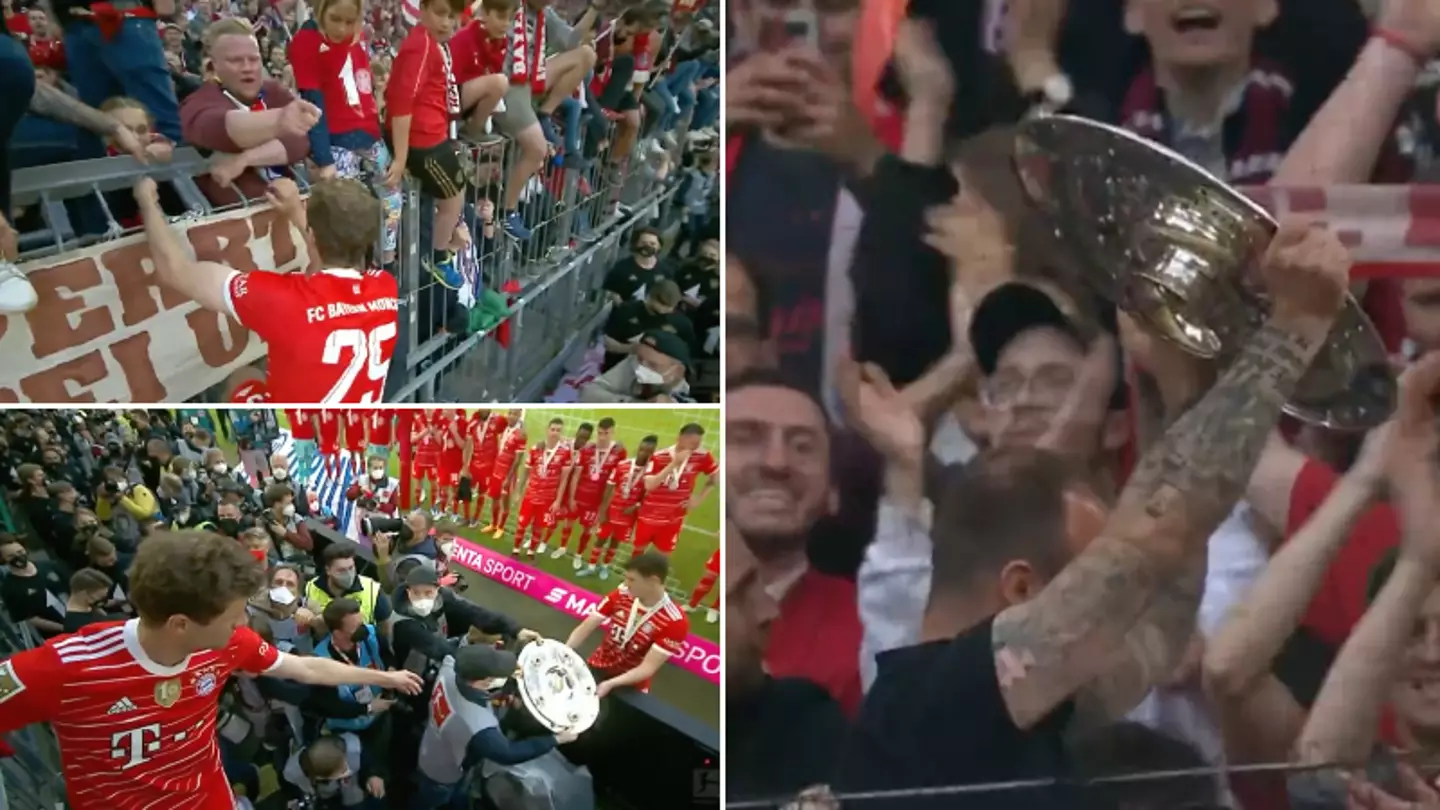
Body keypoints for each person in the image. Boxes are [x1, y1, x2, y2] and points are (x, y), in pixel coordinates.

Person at [832, 221, 1354, 806]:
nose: (1117, 603)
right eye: (1095, 576)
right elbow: (1159, 533)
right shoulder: (932, 707)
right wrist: (1292, 328)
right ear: (1023, 589)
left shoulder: (1022, 706)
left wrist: (1183, 379)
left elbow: (1162, 613)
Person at [0, 531, 423, 810]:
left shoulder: (228, 645)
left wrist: (384, 678)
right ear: (181, 624)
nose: (243, 627)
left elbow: (305, 667)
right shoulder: (64, 666)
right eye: (233, 617)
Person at [133, 174, 398, 404]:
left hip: (297, 434)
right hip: (352, 419)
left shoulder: (279, 298)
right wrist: (296, 212)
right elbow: (326, 267)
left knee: (241, 377)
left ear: (313, 236)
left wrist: (147, 202)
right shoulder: (385, 286)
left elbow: (174, 270)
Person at [288, 0, 403, 265]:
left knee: (392, 192)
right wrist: (324, 158)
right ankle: (355, 270)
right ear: (320, 11)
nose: (342, 28)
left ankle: (387, 259)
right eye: (335, 19)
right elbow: (312, 103)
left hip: (368, 133)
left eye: (349, 21)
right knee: (345, 212)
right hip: (336, 141)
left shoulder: (358, 35)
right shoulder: (306, 41)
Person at [181, 17, 318, 205]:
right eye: (235, 61)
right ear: (212, 65)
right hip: (237, 221)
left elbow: (301, 141)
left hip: (289, 207)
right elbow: (222, 128)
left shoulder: (273, 91)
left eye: (254, 59)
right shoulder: (198, 102)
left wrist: (245, 159)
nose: (248, 68)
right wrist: (280, 121)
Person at [384, 0, 470, 286]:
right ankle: (437, 256)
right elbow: (401, 103)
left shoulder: (430, 44)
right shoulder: (419, 46)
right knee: (454, 196)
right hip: (423, 141)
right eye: (440, 13)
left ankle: (435, 251)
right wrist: (401, 157)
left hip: (432, 135)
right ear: (423, 9)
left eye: (452, 16)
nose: (447, 22)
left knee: (452, 194)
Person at [566, 549, 688, 696]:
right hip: (598, 666)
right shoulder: (621, 595)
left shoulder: (675, 621)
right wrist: (564, 651)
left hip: (631, 685)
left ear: (653, 581)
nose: (626, 584)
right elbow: (587, 626)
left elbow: (648, 668)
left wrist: (611, 683)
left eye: (632, 580)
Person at [578, 434, 655, 580]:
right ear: (638, 448)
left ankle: (605, 566)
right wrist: (603, 510)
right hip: (613, 510)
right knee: (600, 538)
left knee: (615, 541)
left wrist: (636, 506)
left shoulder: (651, 473)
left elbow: (648, 494)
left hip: (628, 515)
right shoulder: (623, 465)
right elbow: (609, 488)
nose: (644, 453)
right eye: (642, 449)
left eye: (648, 451)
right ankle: (591, 566)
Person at [552, 416, 626, 568]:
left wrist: (604, 506)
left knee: (587, 530)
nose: (602, 437)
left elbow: (617, 480)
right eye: (599, 433)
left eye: (606, 433)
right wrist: (572, 498)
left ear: (613, 432)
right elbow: (576, 475)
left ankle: (578, 555)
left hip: (596, 501)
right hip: (579, 496)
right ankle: (562, 547)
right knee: (568, 523)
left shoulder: (619, 453)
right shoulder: (587, 449)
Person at [635, 422, 715, 556]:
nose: (696, 447)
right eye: (693, 443)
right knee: (638, 550)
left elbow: (716, 477)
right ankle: (631, 577)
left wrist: (699, 498)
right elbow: (649, 485)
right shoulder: (659, 456)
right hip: (649, 516)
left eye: (698, 443)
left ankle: (655, 577)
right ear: (679, 438)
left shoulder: (702, 456)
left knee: (663, 556)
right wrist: (674, 464)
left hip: (673, 519)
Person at [512, 417, 574, 558]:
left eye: (558, 430)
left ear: (561, 432)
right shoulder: (536, 448)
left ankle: (531, 552)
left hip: (547, 498)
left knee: (538, 527)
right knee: (522, 524)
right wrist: (518, 492)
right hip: (531, 494)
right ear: (547, 430)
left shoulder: (565, 452)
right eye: (552, 429)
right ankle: (515, 549)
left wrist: (558, 501)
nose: (555, 433)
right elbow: (526, 471)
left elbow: (564, 480)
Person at [580, 329, 693, 403]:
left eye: (653, 365)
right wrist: (630, 403)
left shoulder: (680, 397)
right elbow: (588, 393)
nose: (641, 367)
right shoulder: (634, 363)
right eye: (640, 358)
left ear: (677, 371)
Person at [459, 409, 507, 527]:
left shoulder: (498, 420)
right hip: (474, 464)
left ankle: (476, 517)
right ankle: (466, 517)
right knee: (466, 489)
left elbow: (511, 428)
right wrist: (465, 465)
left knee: (482, 492)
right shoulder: (473, 422)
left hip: (489, 467)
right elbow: (468, 444)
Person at [486, 414, 528, 539]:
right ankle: (493, 524)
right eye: (510, 413)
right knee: (494, 498)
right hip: (496, 470)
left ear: (519, 415)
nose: (510, 416)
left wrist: (508, 478)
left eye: (515, 414)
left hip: (507, 473)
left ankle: (501, 527)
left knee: (505, 502)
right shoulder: (503, 427)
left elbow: (518, 460)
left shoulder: (520, 435)